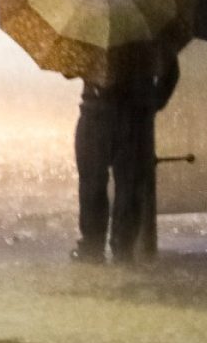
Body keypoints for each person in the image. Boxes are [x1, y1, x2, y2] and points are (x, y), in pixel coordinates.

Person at [73, 41, 180, 263]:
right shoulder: (148, 31)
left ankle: (95, 248)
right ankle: (120, 249)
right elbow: (171, 72)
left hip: (101, 115)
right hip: (128, 118)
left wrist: (151, 104)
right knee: (127, 187)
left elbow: (69, 67)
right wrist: (153, 103)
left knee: (97, 185)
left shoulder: (92, 27)